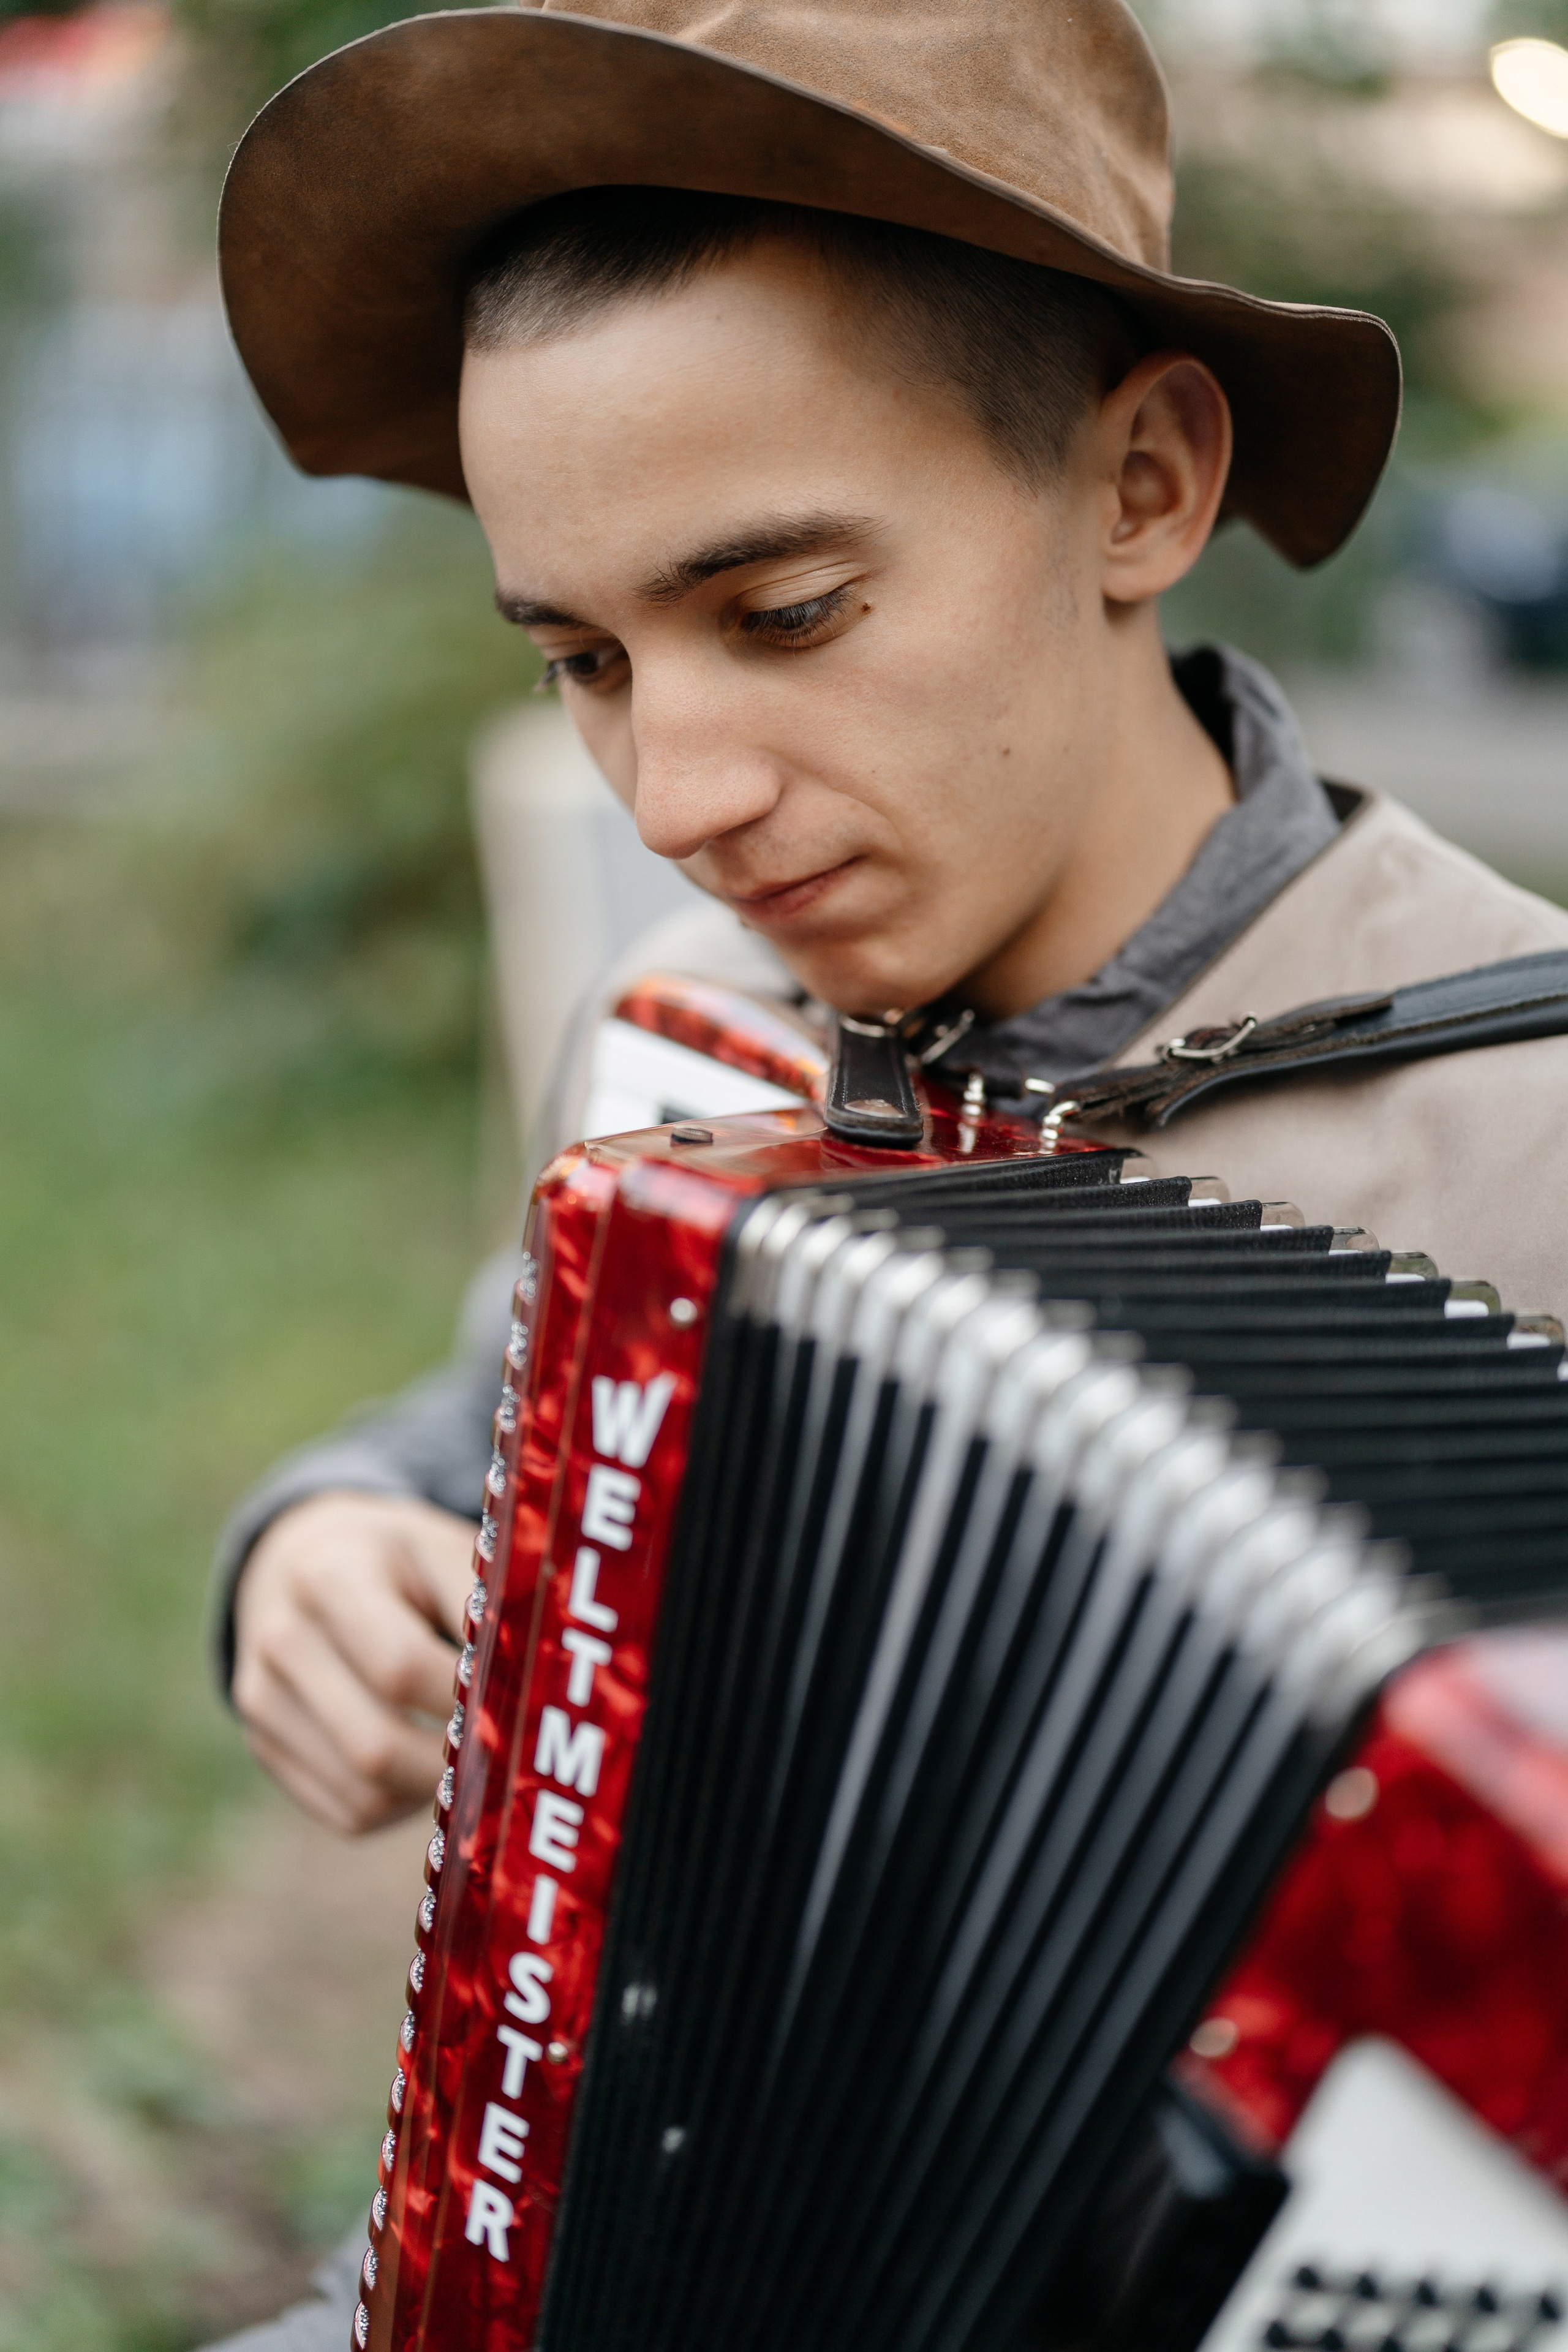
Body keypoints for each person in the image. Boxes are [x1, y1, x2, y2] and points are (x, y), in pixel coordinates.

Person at [204, 0, 1568, 2340]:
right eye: (585, 659)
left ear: (1141, 487)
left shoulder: (1529, 1133)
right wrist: (316, 1538)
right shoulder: (695, 1041)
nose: (679, 797)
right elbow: (496, 1439)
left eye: (784, 614)